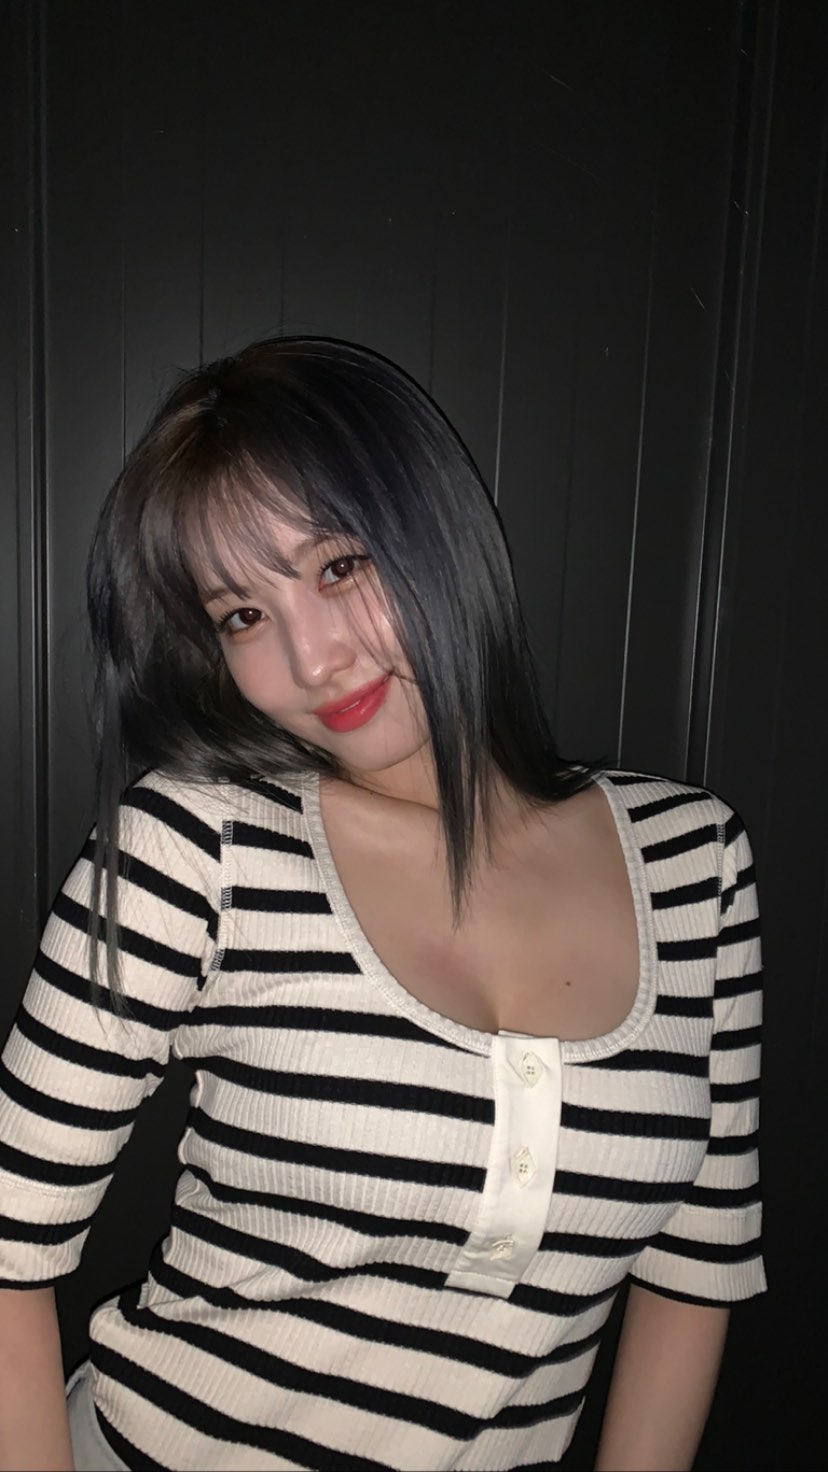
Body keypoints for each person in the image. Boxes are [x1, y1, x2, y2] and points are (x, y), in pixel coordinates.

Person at [0, 337, 765, 1472]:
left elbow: (696, 1269)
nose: (312, 658)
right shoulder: (195, 844)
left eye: (339, 565)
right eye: (241, 615)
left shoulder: (694, 862)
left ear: (438, 529)